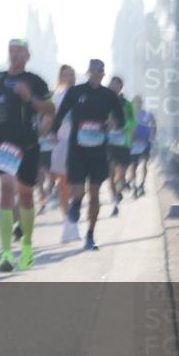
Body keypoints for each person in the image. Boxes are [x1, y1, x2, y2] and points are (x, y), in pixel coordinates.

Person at [0, 39, 54, 272]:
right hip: (4, 142)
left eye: (19, 51)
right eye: (12, 50)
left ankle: (26, 246)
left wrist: (29, 98)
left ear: (27, 55)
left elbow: (50, 110)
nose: (15, 54)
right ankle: (5, 254)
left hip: (29, 144)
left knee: (25, 196)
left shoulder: (35, 81)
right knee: (6, 188)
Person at [52, 59, 125, 251]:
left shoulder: (109, 95)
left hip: (98, 149)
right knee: (78, 188)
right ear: (88, 72)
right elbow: (60, 114)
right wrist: (53, 132)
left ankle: (90, 234)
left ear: (103, 74)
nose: (96, 74)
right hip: (77, 148)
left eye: (100, 71)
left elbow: (121, 119)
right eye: (93, 70)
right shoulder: (75, 92)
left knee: (94, 192)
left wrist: (113, 124)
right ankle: (76, 203)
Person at [50, 65, 79, 242]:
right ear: (60, 77)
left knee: (75, 184)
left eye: (71, 74)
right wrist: (51, 132)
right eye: (65, 74)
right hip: (61, 141)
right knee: (63, 184)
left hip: (77, 143)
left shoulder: (80, 95)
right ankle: (67, 222)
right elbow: (50, 117)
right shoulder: (56, 96)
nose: (68, 77)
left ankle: (73, 222)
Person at [106, 76, 136, 217]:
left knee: (121, 174)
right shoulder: (103, 102)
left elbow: (133, 121)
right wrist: (107, 123)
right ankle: (114, 203)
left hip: (123, 143)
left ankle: (118, 191)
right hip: (109, 143)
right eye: (112, 85)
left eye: (117, 85)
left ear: (120, 88)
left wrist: (125, 127)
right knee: (111, 174)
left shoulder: (127, 104)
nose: (114, 87)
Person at [129, 95, 156, 197]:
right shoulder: (130, 115)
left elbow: (154, 124)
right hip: (134, 144)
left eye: (139, 102)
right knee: (134, 166)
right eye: (135, 102)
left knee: (145, 164)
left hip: (145, 143)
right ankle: (134, 186)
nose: (137, 104)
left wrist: (153, 136)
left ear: (142, 103)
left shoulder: (148, 114)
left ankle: (142, 185)